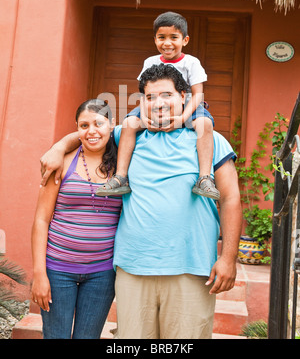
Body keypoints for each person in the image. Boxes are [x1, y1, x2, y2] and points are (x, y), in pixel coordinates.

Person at [39, 65, 242, 340]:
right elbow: (92, 131)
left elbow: (230, 199)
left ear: (184, 96)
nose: (158, 103)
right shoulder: (127, 137)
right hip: (133, 268)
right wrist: (59, 146)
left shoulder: (209, 140)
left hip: (190, 268)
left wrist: (228, 258)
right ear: (142, 103)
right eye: (150, 97)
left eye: (166, 94)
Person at [96, 11, 220, 200]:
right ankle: (121, 176)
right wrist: (144, 118)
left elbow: (197, 95)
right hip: (152, 103)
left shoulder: (191, 62)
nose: (167, 43)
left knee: (205, 124)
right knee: (129, 124)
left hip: (187, 105)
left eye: (174, 37)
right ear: (155, 40)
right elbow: (144, 94)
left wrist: (182, 118)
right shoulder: (150, 62)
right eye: (161, 37)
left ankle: (204, 178)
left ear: (185, 40)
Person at [31, 99, 122, 339]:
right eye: (84, 125)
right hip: (57, 269)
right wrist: (40, 273)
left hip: (102, 273)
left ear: (111, 125)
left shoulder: (123, 165)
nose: (91, 131)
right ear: (77, 129)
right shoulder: (61, 162)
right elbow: (41, 219)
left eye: (98, 123)